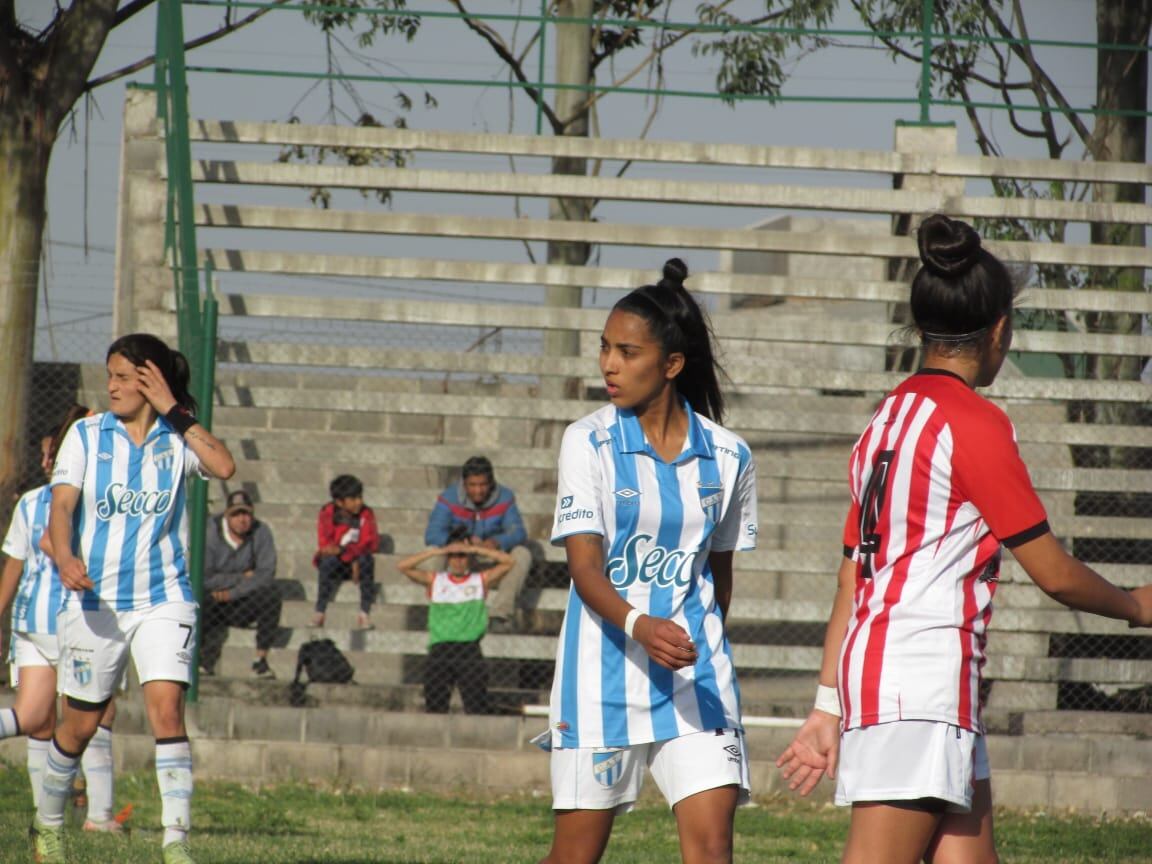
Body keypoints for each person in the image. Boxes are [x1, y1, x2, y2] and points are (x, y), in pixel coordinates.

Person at [774, 214, 1152, 864]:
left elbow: (850, 581)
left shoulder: (884, 422)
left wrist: (827, 705)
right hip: (919, 685)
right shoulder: (974, 424)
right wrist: (1138, 606)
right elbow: (1053, 572)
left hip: (901, 679)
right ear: (999, 330)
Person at [540, 258, 758, 864]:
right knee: (574, 857)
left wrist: (701, 643)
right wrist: (642, 626)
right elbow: (585, 570)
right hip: (601, 680)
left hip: (695, 679)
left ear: (671, 365)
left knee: (712, 852)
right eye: (604, 348)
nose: (609, 364)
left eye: (627, 352)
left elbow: (720, 575)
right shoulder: (587, 441)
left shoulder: (730, 456)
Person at [33, 333, 236, 864]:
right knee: (79, 725)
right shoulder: (86, 434)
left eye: (124, 377)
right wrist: (64, 553)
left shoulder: (177, 437)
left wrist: (175, 410)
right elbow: (61, 507)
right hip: (95, 601)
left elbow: (225, 466)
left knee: (167, 711)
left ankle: (176, 843)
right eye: (111, 376)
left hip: (164, 598)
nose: (113, 386)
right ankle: (49, 824)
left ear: (150, 380)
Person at [0, 407, 123, 833]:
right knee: (96, 716)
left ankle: (46, 814)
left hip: (30, 620)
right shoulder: (93, 499)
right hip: (74, 621)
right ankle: (100, 817)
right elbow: (49, 543)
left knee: (37, 719)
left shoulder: (30, 501)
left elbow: (14, 565)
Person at [397, 525, 514, 715]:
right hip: (440, 649)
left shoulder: (479, 580)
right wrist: (440, 551)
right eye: (454, 555)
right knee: (435, 707)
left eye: (462, 555)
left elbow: (509, 562)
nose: (458, 561)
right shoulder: (436, 580)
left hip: (469, 649)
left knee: (476, 707)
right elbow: (403, 566)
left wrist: (475, 549)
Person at [425, 455, 532, 633]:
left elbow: (518, 532)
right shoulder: (448, 499)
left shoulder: (505, 498)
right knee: (433, 552)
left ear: (491, 483)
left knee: (522, 553)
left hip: (492, 563)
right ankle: (440, 611)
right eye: (472, 485)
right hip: (460, 561)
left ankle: (499, 616)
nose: (478, 491)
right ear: (464, 483)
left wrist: (496, 542)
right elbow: (432, 534)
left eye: (483, 485)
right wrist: (460, 542)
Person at [200, 490, 280, 679]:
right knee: (199, 597)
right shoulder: (210, 533)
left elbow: (266, 574)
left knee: (271, 594)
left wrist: (232, 593)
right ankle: (201, 659)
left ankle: (260, 661)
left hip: (241, 601)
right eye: (236, 514)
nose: (242, 520)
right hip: (213, 598)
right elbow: (204, 577)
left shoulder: (261, 532)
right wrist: (242, 576)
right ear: (227, 515)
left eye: (246, 514)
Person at [312, 474, 380, 630]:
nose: (359, 502)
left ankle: (364, 611)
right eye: (354, 498)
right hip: (338, 563)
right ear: (339, 502)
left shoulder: (366, 514)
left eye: (360, 497)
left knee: (367, 560)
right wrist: (348, 555)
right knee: (327, 561)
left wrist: (348, 554)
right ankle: (320, 610)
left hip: (358, 564)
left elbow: (370, 543)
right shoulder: (327, 512)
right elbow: (325, 544)